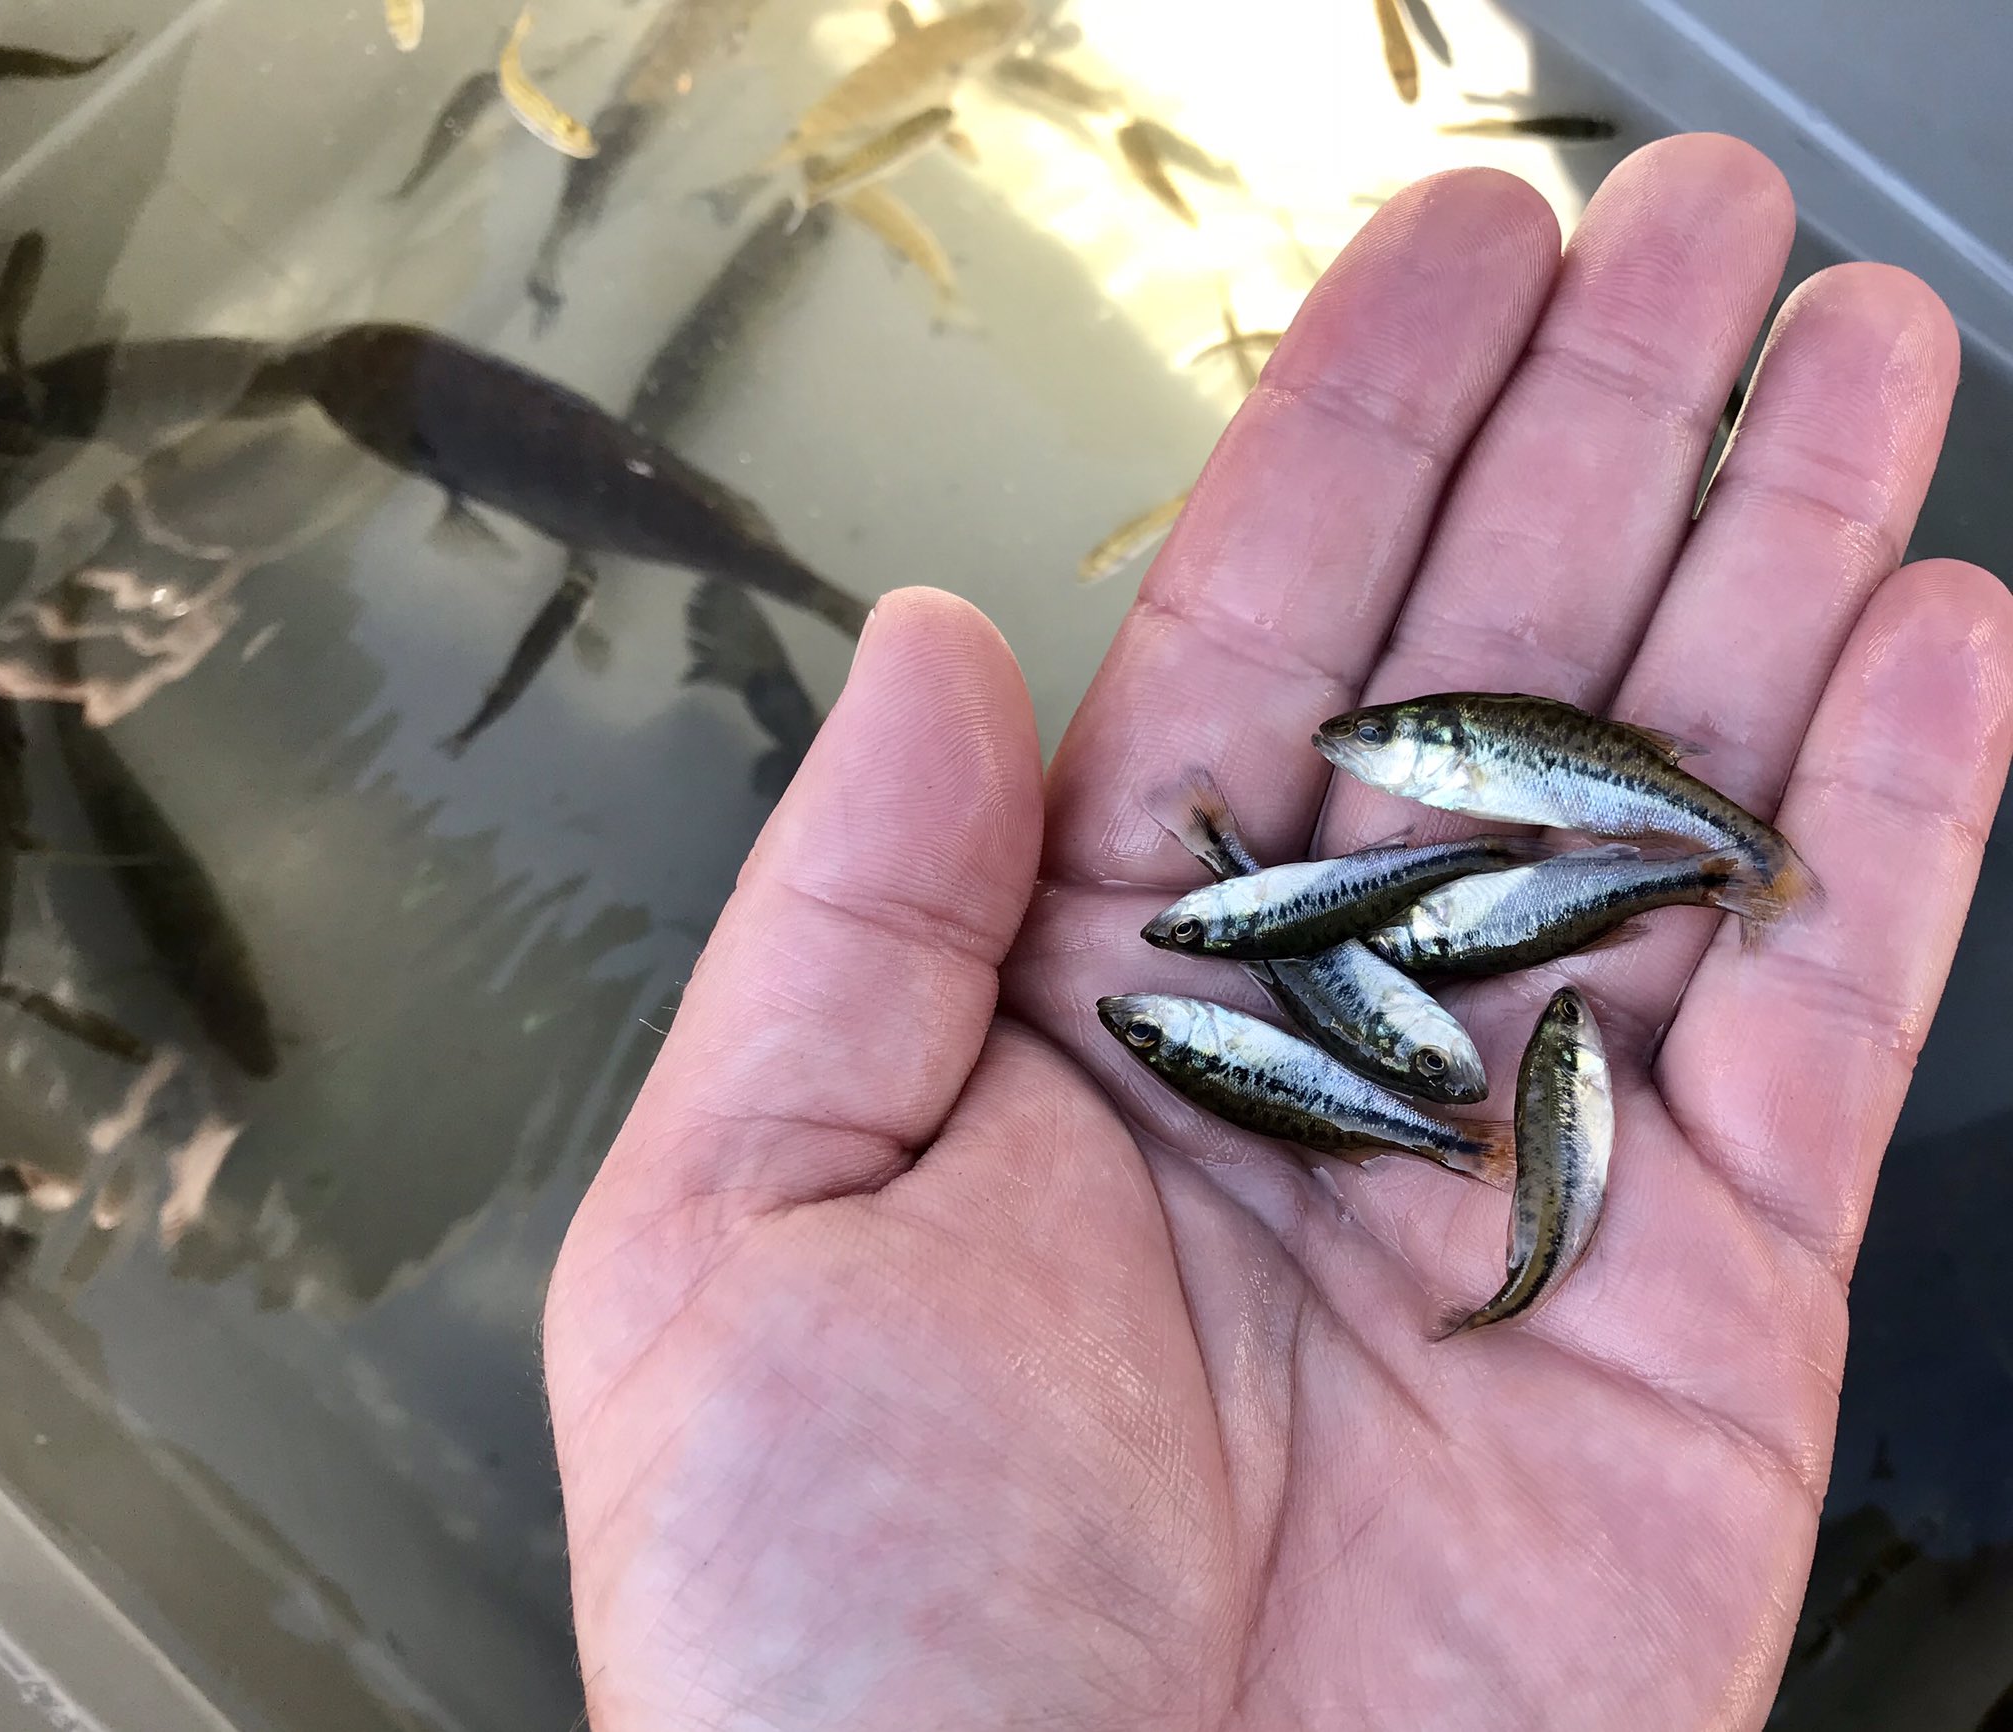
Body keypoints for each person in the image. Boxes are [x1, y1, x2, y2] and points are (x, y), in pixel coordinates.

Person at [541, 135, 2013, 1730]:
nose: (1366, 765)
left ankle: (1712, 862)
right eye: (1387, 757)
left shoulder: (1355, 886)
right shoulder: (1343, 926)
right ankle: (1698, 877)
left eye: (1384, 754)